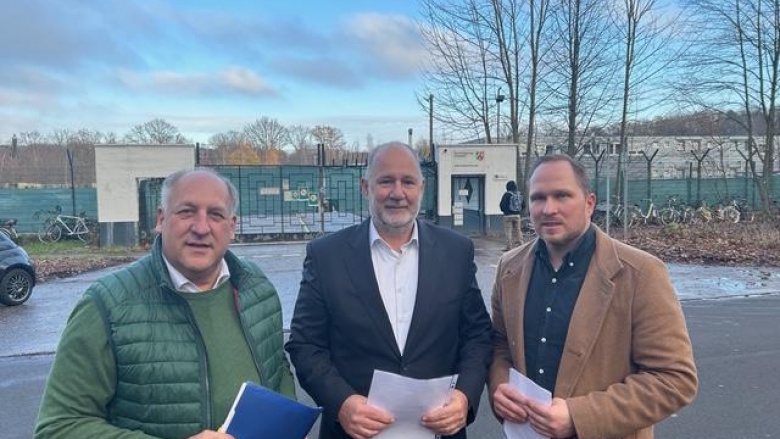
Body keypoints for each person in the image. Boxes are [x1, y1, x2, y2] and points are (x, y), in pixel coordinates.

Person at [35, 168, 296, 439]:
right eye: (186, 212)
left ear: (231, 226)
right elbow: (58, 427)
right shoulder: (107, 304)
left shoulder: (257, 288)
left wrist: (286, 427)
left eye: (216, 215)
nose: (201, 228)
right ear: (160, 219)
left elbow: (277, 370)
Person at [285, 142, 493, 439]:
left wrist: (464, 396)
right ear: (365, 187)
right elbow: (305, 345)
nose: (397, 192)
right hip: (354, 433)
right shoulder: (326, 255)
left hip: (438, 431)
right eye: (385, 181)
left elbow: (477, 335)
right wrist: (342, 403)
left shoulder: (456, 251)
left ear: (421, 187)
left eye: (408, 181)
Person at [488, 154, 697, 439]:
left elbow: (674, 379)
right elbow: (500, 344)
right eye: (538, 198)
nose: (548, 209)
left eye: (562, 196)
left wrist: (579, 417)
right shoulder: (509, 268)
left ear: (589, 203)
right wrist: (500, 384)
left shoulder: (640, 273)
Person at [499, 180, 524, 250]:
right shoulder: (519, 194)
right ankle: (521, 245)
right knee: (518, 230)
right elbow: (523, 205)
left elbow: (502, 205)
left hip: (508, 216)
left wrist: (505, 211)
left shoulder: (506, 194)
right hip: (517, 215)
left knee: (508, 231)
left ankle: (509, 246)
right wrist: (518, 211)